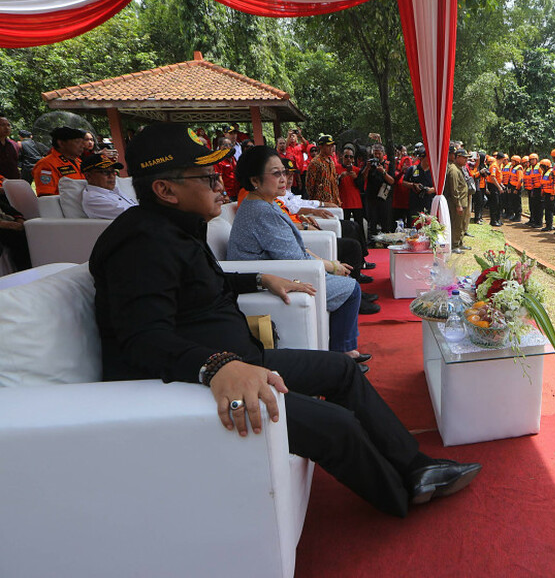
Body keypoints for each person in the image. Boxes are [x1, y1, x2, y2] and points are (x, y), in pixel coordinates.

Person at [89, 124, 481, 517]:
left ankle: (416, 466)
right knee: (336, 424)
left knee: (343, 371)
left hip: (242, 359)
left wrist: (259, 277)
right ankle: (402, 495)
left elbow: (195, 284)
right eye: (207, 178)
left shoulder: (172, 229)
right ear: (166, 190)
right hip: (202, 382)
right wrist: (215, 367)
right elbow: (141, 339)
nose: (220, 186)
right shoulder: (139, 245)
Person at [227, 146, 372, 358]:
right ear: (255, 181)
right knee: (350, 289)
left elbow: (292, 249)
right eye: (276, 173)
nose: (283, 178)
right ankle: (343, 352)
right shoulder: (262, 211)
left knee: (344, 277)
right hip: (275, 276)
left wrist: (326, 262)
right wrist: (331, 266)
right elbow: (294, 258)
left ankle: (340, 346)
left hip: (280, 267)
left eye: (284, 172)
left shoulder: (265, 203)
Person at [80, 153, 137, 219]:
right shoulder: (93, 199)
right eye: (105, 172)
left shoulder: (114, 190)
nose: (112, 176)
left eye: (113, 172)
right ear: (88, 176)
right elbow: (131, 216)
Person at [33, 126, 86, 196]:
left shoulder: (78, 162)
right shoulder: (46, 164)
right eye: (77, 142)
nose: (83, 146)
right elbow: (47, 197)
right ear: (61, 143)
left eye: (83, 142)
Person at [362, 142, 394, 239]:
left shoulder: (388, 164)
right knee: (372, 221)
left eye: (379, 153)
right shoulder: (369, 164)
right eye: (375, 153)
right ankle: (372, 241)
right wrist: (367, 167)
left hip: (384, 197)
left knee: (385, 221)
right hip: (371, 197)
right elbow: (362, 178)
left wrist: (383, 172)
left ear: (383, 153)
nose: (376, 156)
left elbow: (392, 181)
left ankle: (385, 241)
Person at [444, 148, 470, 253]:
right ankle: (454, 245)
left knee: (462, 224)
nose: (466, 160)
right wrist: (458, 204)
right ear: (457, 157)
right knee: (456, 224)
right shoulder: (454, 170)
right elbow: (454, 189)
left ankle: (459, 242)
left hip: (463, 202)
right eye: (464, 158)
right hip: (456, 203)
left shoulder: (459, 168)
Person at [305, 134, 342, 207]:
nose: (331, 148)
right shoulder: (315, 162)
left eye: (332, 145)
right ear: (321, 146)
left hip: (333, 201)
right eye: (328, 146)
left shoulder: (331, 161)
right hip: (321, 203)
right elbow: (310, 185)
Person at [404, 151, 436, 221]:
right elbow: (404, 182)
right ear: (421, 158)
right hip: (415, 203)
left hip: (429, 203)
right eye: (428, 158)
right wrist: (414, 185)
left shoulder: (434, 171)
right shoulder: (413, 169)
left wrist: (431, 190)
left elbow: (440, 186)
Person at [485, 155, 504, 226]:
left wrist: (501, 185)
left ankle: (497, 219)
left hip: (497, 185)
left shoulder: (498, 165)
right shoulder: (494, 166)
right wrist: (499, 187)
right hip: (493, 186)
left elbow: (498, 177)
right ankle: (493, 221)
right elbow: (493, 178)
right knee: (494, 204)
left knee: (499, 204)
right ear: (501, 159)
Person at [0, 116, 20, 181]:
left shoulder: (13, 145)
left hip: (13, 184)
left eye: (8, 125)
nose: (7, 128)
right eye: (3, 125)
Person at [539, 159, 555, 232]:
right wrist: (542, 192)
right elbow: (543, 184)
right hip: (546, 193)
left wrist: (552, 194)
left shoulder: (550, 173)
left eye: (542, 167)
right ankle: (548, 224)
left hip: (550, 194)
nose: (541, 168)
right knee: (547, 210)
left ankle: (550, 225)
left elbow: (553, 184)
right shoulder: (544, 173)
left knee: (550, 210)